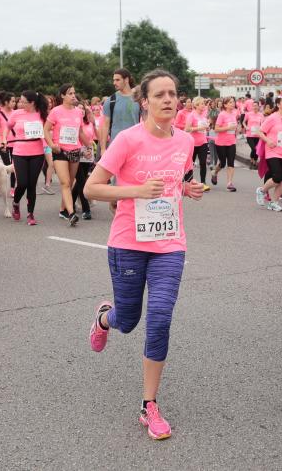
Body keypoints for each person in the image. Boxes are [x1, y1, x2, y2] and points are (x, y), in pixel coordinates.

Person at [85, 69, 204, 440]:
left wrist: (188, 188)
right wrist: (135, 191)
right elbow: (92, 188)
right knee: (130, 319)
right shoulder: (126, 140)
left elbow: (174, 181)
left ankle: (148, 405)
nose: (169, 100)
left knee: (160, 317)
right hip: (128, 243)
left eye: (173, 94)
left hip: (169, 243)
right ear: (145, 102)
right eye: (160, 95)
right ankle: (107, 319)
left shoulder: (185, 141)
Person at [44, 84, 93, 225]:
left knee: (70, 182)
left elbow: (80, 132)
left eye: (74, 93)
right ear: (62, 96)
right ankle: (71, 214)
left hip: (75, 151)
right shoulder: (55, 111)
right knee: (65, 183)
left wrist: (90, 146)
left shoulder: (78, 112)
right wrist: (52, 145)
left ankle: (62, 209)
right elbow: (46, 130)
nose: (73, 95)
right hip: (60, 151)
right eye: (70, 93)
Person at [7, 91, 49, 225]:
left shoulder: (41, 114)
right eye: (20, 101)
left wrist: (49, 146)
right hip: (19, 152)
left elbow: (47, 131)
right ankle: (16, 202)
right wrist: (3, 139)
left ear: (32, 103)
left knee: (32, 184)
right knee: (23, 183)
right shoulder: (16, 114)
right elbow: (8, 127)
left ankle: (30, 214)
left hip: (37, 152)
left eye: (24, 102)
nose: (21, 104)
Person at [256, 95, 282, 211]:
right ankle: (262, 190)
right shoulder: (272, 117)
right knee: (277, 177)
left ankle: (274, 202)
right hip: (273, 151)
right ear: (278, 105)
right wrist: (268, 140)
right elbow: (260, 132)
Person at [100, 68, 140, 152]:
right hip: (115, 146)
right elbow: (105, 126)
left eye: (117, 80)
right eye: (114, 80)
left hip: (135, 145)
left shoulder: (138, 99)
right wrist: (103, 149)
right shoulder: (110, 100)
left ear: (126, 80)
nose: (114, 83)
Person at [72, 99, 97, 220]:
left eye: (83, 108)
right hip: (75, 152)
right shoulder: (72, 122)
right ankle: (86, 209)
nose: (81, 110)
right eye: (78, 108)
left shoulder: (89, 123)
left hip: (88, 153)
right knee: (81, 181)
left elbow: (96, 136)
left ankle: (70, 203)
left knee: (80, 182)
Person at [212, 97, 239, 191]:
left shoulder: (234, 113)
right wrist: (228, 128)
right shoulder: (222, 115)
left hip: (232, 142)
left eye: (233, 102)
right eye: (230, 102)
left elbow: (234, 127)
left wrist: (236, 130)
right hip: (221, 143)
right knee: (222, 163)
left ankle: (229, 183)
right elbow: (216, 129)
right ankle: (215, 173)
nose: (232, 103)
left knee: (231, 163)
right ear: (225, 105)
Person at [184, 97, 211, 191]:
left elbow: (204, 127)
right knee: (190, 163)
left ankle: (203, 183)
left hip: (203, 142)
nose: (204, 105)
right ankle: (188, 182)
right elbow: (187, 129)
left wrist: (207, 128)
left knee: (203, 162)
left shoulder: (203, 115)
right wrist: (198, 128)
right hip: (192, 143)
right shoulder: (191, 115)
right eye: (202, 104)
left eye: (204, 103)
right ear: (196, 105)